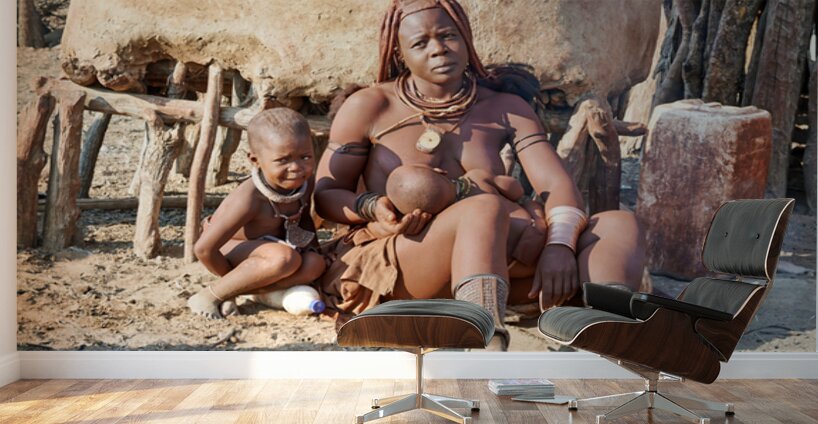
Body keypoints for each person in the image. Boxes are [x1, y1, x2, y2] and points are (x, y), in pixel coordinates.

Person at [314, 0, 645, 350]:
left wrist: (559, 245)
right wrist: (371, 207)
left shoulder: (504, 108)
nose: (439, 49)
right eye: (420, 43)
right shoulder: (371, 106)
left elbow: (554, 184)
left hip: (499, 261)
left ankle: (606, 342)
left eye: (448, 36)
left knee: (618, 225)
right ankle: (482, 339)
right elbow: (326, 195)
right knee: (483, 208)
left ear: (467, 37)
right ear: (399, 54)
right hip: (408, 260)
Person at [187, 108, 326, 319]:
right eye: (282, 160)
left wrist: (314, 250)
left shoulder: (305, 183)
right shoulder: (249, 198)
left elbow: (304, 218)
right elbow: (204, 249)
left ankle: (251, 292)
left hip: (271, 252)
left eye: (305, 156)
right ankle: (212, 294)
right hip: (228, 249)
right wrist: (228, 279)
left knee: (315, 264)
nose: (297, 167)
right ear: (255, 160)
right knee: (284, 259)